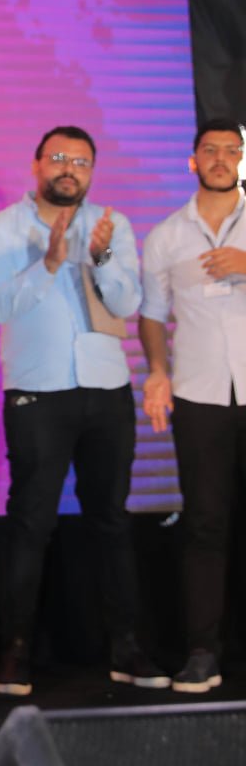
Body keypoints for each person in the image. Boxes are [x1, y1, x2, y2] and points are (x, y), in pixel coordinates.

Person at [0, 126, 168, 697]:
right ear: (36, 164)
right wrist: (51, 263)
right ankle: (15, 651)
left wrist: (99, 257)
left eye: (81, 162)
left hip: (107, 390)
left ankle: (127, 648)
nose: (69, 169)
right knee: (30, 523)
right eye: (58, 158)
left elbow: (128, 302)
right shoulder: (2, 230)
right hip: (38, 392)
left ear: (91, 172)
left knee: (111, 521)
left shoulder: (112, 225)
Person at [139, 119, 246, 694]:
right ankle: (203, 651)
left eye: (232, 150)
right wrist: (157, 370)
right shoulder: (167, 235)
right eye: (211, 150)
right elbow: (153, 314)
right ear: (193, 160)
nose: (222, 158)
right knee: (205, 524)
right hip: (199, 392)